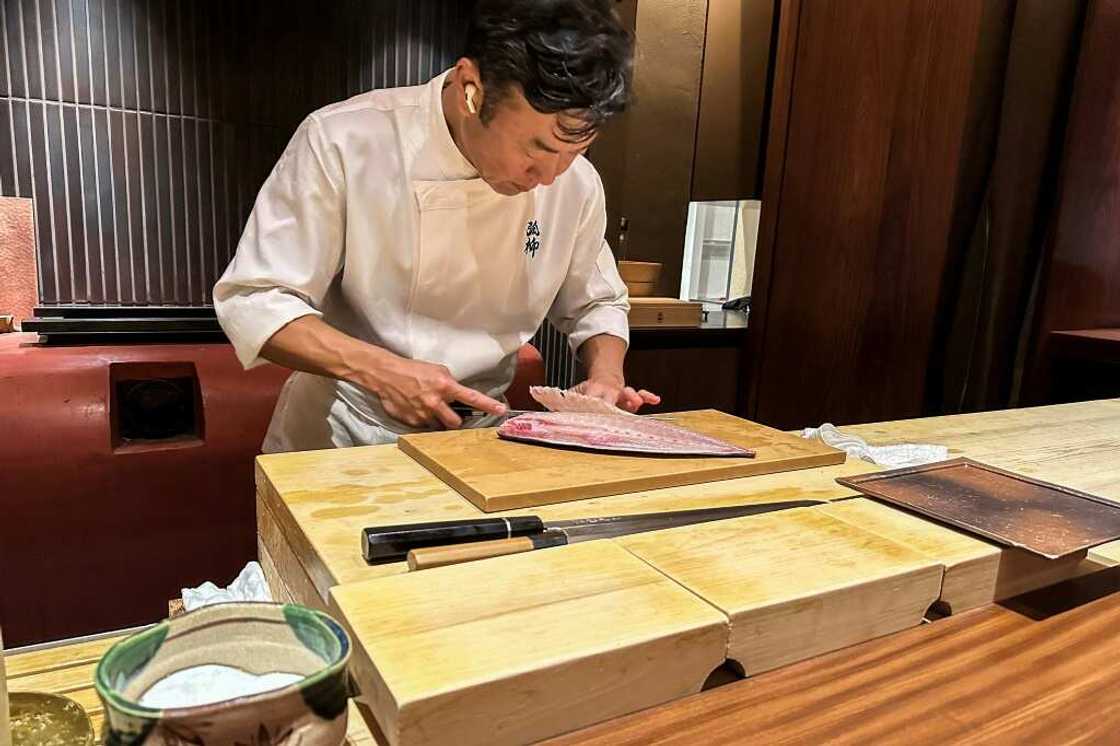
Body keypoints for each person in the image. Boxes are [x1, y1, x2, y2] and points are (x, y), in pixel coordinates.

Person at [214, 0, 658, 453]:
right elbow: (256, 299)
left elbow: (597, 302)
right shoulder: (345, 139)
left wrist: (606, 378)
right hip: (342, 435)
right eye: (536, 149)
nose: (549, 178)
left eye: (574, 154)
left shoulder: (577, 184)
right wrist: (379, 370)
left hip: (481, 440)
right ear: (471, 88)